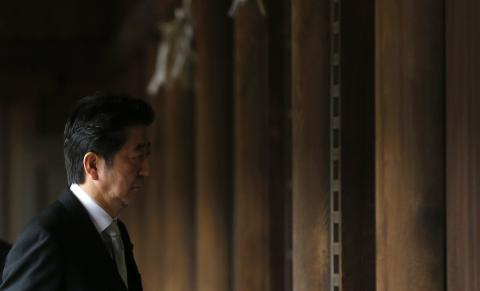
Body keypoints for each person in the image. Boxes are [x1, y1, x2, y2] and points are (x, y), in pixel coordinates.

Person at [1, 95, 154, 291]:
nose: (146, 170)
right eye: (137, 157)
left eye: (147, 155)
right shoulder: (47, 237)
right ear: (92, 165)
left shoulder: (117, 232)